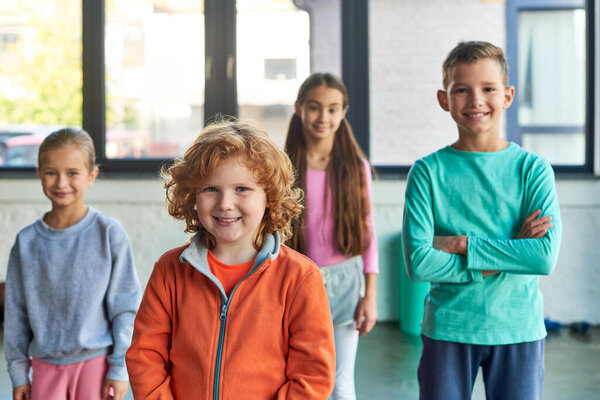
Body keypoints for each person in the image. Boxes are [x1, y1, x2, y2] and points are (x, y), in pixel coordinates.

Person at [125, 120, 336, 399]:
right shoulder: (169, 271)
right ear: (193, 196)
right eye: (210, 189)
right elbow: (145, 357)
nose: (225, 203)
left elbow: (313, 376)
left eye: (242, 189)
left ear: (269, 196)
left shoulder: (300, 278)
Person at [402, 41, 562, 400]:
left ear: (507, 96)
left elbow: (542, 257)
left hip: (518, 329)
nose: (476, 100)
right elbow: (419, 262)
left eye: (488, 89)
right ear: (445, 99)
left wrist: (461, 245)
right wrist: (512, 247)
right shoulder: (427, 173)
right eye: (462, 90)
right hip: (448, 328)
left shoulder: (533, 170)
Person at [4, 127, 142, 400]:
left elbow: (125, 309)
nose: (61, 182)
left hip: (97, 366)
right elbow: (15, 315)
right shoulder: (26, 241)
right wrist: (19, 373)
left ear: (92, 175)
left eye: (72, 173)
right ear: (39, 173)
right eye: (51, 172)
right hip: (45, 366)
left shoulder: (110, 235)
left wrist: (119, 367)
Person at [284, 72, 379, 400]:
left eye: (332, 109)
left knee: (340, 385)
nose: (323, 117)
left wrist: (371, 295)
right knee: (296, 379)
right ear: (299, 108)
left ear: (343, 113)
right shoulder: (283, 167)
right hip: (296, 282)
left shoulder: (355, 167)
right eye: (314, 107)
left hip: (346, 285)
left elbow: (368, 232)